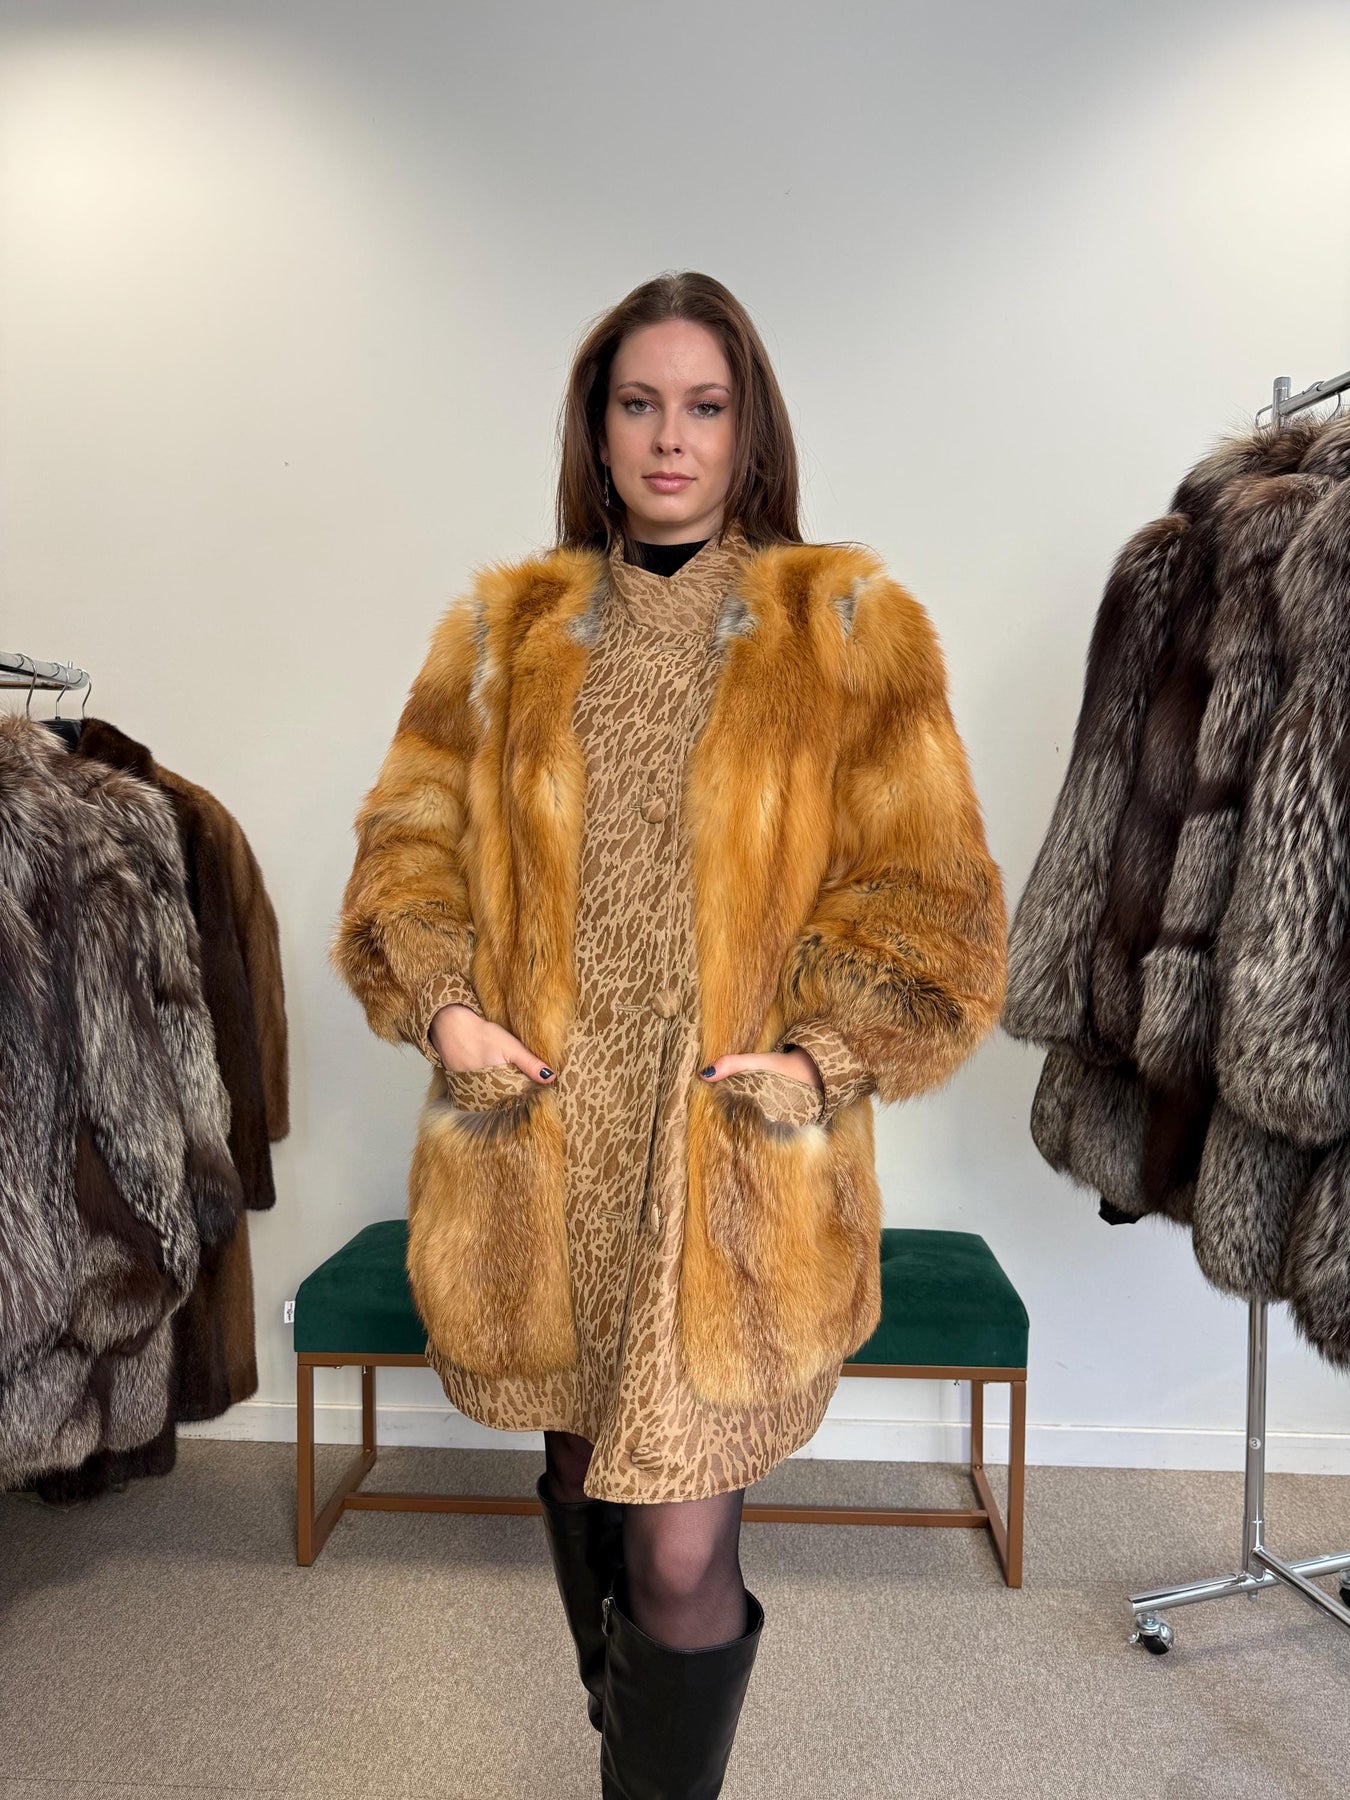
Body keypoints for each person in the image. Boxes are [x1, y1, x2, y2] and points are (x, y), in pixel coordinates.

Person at [330, 270, 1007, 1798]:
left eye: (703, 406)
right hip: (544, 1146)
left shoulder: (842, 627)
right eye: (638, 404)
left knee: (684, 1546)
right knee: (580, 1468)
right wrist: (445, 1008)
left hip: (727, 1165)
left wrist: (822, 1059)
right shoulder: (501, 633)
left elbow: (933, 901)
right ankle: (626, 1756)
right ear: (596, 427)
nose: (670, 439)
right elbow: (405, 856)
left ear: (749, 428)